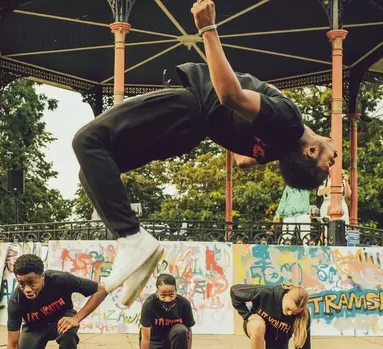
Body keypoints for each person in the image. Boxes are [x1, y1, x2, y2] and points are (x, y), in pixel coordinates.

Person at [71, 1, 337, 306]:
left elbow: (230, 95)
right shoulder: (277, 147)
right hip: (189, 133)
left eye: (328, 162)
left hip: (189, 107)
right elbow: (244, 160)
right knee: (91, 169)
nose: (334, 160)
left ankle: (132, 238)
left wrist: (207, 28)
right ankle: (135, 248)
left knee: (87, 142)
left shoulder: (289, 119)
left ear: (312, 150)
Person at [230, 283, 312, 349]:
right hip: (256, 327)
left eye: (294, 312)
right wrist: (247, 315)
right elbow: (234, 291)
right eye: (288, 309)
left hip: (278, 340)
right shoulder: (266, 293)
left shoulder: (303, 315)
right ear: (286, 296)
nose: (289, 313)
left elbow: (303, 343)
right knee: (258, 325)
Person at [133, 274, 195, 349]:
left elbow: (188, 333)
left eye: (171, 295)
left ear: (176, 291)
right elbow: (145, 338)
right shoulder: (149, 304)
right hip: (153, 339)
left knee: (181, 330)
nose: (167, 299)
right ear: (157, 292)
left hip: (172, 339)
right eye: (163, 295)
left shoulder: (184, 304)